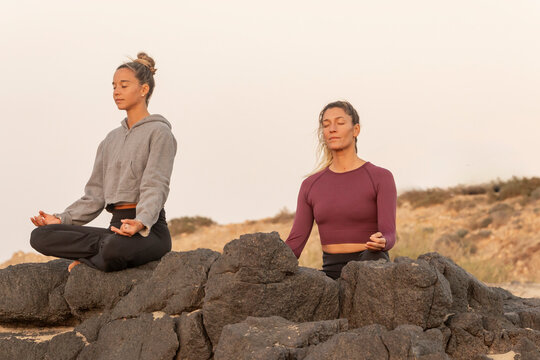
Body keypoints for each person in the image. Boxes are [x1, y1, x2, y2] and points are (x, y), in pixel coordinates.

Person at [30, 52, 177, 272]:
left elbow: (156, 184)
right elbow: (95, 196)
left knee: (112, 249)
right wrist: (61, 220)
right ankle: (97, 255)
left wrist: (140, 221)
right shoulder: (110, 140)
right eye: (114, 86)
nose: (116, 91)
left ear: (144, 89)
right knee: (40, 236)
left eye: (124, 85)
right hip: (114, 230)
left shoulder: (160, 132)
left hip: (148, 231)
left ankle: (92, 258)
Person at [285, 100, 396, 280]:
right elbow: (294, 244)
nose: (332, 129)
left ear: (356, 130)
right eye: (326, 125)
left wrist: (383, 241)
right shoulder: (311, 185)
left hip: (371, 269)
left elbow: (389, 233)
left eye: (340, 123)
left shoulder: (380, 177)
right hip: (331, 272)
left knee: (370, 265)